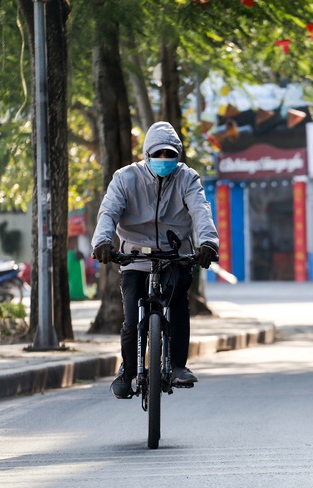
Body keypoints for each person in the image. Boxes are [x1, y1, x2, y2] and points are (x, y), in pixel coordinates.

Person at [92, 121, 219, 399]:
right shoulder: (125, 178)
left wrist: (208, 242)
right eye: (158, 154)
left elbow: (200, 211)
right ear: (147, 154)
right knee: (130, 318)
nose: (164, 159)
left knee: (178, 304)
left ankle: (177, 366)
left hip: (175, 255)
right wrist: (102, 242)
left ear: (178, 155)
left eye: (170, 154)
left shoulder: (187, 178)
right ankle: (127, 371)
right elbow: (109, 212)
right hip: (134, 256)